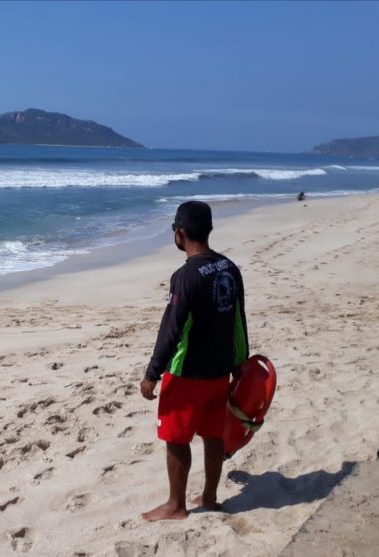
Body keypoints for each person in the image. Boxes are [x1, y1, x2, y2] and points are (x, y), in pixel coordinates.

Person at [139, 201, 249, 522]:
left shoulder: (185, 276)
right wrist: (239, 362)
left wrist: (152, 374)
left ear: (180, 233)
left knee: (176, 437)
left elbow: (171, 328)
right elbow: (238, 321)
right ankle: (210, 498)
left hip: (186, 375)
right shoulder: (230, 268)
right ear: (209, 230)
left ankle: (176, 505)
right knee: (212, 434)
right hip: (218, 373)